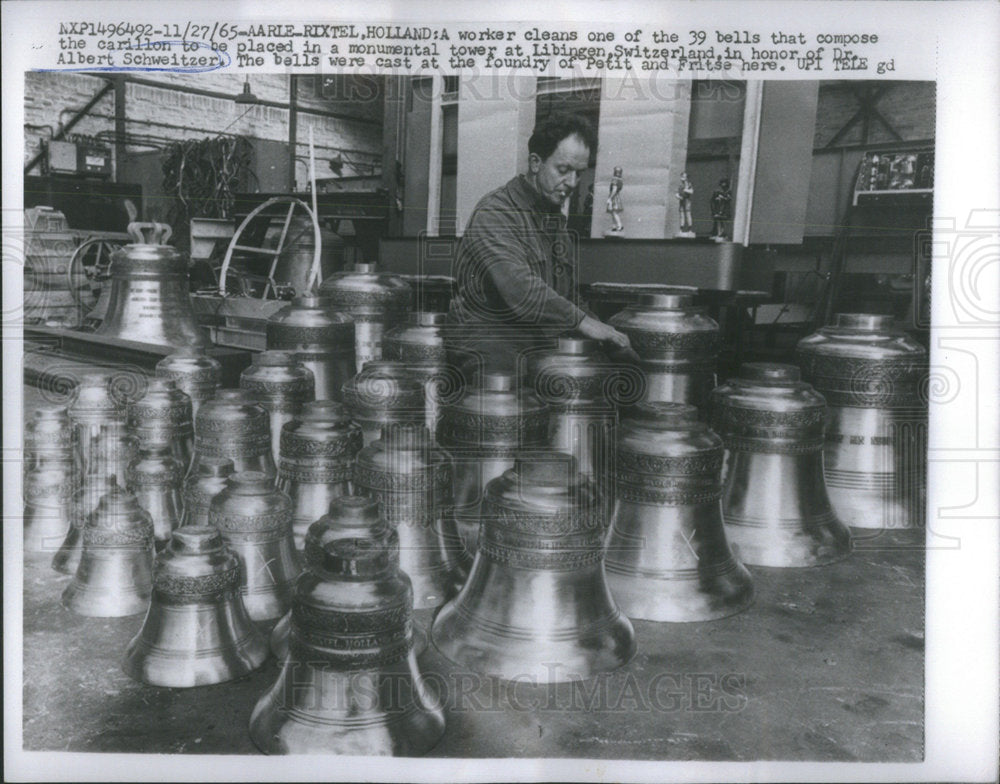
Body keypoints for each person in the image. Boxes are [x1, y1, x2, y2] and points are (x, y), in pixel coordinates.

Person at [447, 113, 632, 374]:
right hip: (488, 341)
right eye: (563, 170)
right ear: (536, 163)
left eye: (579, 174)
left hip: (535, 339)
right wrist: (583, 323)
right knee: (514, 398)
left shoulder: (554, 220)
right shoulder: (496, 213)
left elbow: (567, 296)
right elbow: (518, 287)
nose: (572, 183)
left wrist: (609, 336)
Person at [606, 166, 624, 233]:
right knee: (613, 212)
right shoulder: (620, 180)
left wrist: (610, 198)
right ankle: (614, 226)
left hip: (614, 197)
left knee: (614, 212)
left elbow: (614, 190)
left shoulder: (615, 179)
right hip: (617, 196)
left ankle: (619, 226)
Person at [676, 171, 694, 236]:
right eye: (681, 176)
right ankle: (681, 229)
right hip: (682, 201)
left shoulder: (689, 184)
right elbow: (677, 193)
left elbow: (691, 191)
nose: (682, 178)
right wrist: (678, 196)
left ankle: (690, 229)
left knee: (688, 214)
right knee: (682, 215)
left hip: (687, 201)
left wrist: (686, 190)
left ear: (686, 178)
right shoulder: (680, 185)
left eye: (683, 176)